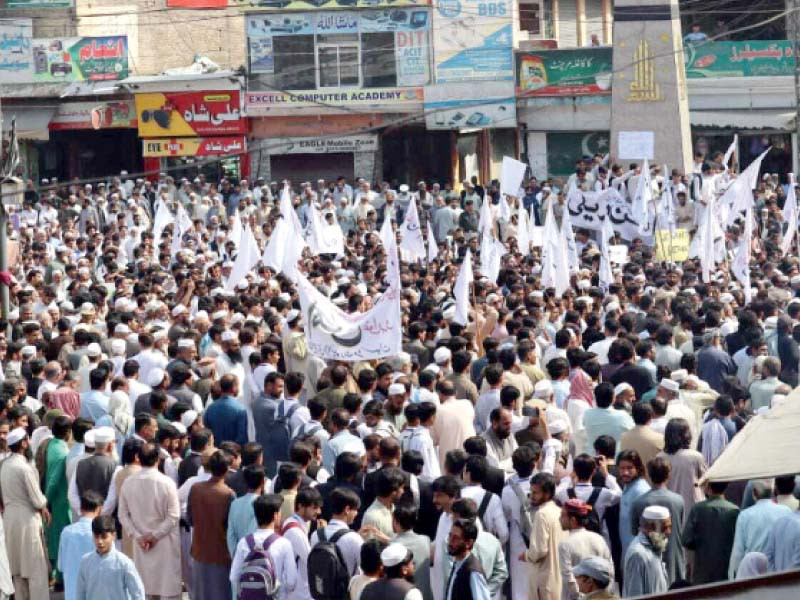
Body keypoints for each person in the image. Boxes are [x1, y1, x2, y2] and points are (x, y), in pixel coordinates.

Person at [117, 442, 182, 600]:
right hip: (164, 543)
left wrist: (138, 535)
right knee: (167, 591)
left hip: (141, 545)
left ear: (138, 458)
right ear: (158, 460)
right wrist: (154, 536)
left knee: (145, 590)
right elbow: (174, 516)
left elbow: (122, 515)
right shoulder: (167, 483)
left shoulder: (128, 482)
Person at [1, 427, 50, 600]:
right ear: (23, 444)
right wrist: (44, 506)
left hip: (9, 520)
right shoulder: (25, 468)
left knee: (17, 571)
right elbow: (37, 500)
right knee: (35, 569)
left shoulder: (3, 465)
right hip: (27, 520)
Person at [629, 457, 685, 586]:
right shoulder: (678, 500)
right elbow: (679, 528)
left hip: (648, 559)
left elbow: (634, 531)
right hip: (673, 557)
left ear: (648, 474)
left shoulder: (638, 503)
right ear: (669, 475)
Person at [188, 449, 235, 600]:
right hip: (220, 554)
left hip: (199, 551)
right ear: (227, 470)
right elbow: (230, 527)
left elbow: (190, 518)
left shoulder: (196, 488)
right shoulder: (228, 494)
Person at [229, 493, 297, 597]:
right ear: (275, 516)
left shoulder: (243, 542)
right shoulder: (284, 544)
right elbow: (291, 582)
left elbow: (233, 577)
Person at [729, 479, 792, 578]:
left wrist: (732, 578)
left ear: (754, 493)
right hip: (780, 572)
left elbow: (738, 553)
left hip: (753, 575)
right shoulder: (786, 511)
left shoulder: (745, 515)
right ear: (774, 490)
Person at [75, 515, 145, 600]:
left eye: (104, 537)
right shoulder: (85, 561)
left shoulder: (124, 563)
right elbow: (80, 593)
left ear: (113, 535)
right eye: (96, 537)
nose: (100, 541)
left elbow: (138, 593)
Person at [681, 481, 739, 584]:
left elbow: (686, 540)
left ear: (708, 487)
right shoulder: (735, 510)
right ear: (726, 487)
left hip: (702, 573)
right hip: (726, 572)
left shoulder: (697, 509)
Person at [558, 499, 613, 600]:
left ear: (573, 520)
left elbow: (568, 577)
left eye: (563, 515)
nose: (559, 519)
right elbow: (610, 570)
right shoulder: (599, 538)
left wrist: (580, 597)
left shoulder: (565, 545)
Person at [523, 472, 566, 600]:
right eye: (531, 492)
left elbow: (539, 551)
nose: (532, 496)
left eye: (536, 493)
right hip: (558, 579)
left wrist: (526, 555)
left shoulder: (541, 514)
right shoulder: (559, 511)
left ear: (547, 494)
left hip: (544, 580)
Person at [58, 491, 103, 600]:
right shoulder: (101, 535)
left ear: (81, 509)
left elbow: (61, 566)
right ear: (99, 509)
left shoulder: (66, 532)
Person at [622, 505, 670, 597]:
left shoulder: (655, 546)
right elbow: (634, 594)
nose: (668, 532)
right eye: (665, 527)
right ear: (651, 527)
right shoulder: (638, 554)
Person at [445, 519, 491, 600]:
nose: (450, 541)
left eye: (456, 538)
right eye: (450, 535)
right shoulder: (457, 564)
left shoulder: (473, 572)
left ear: (468, 543)